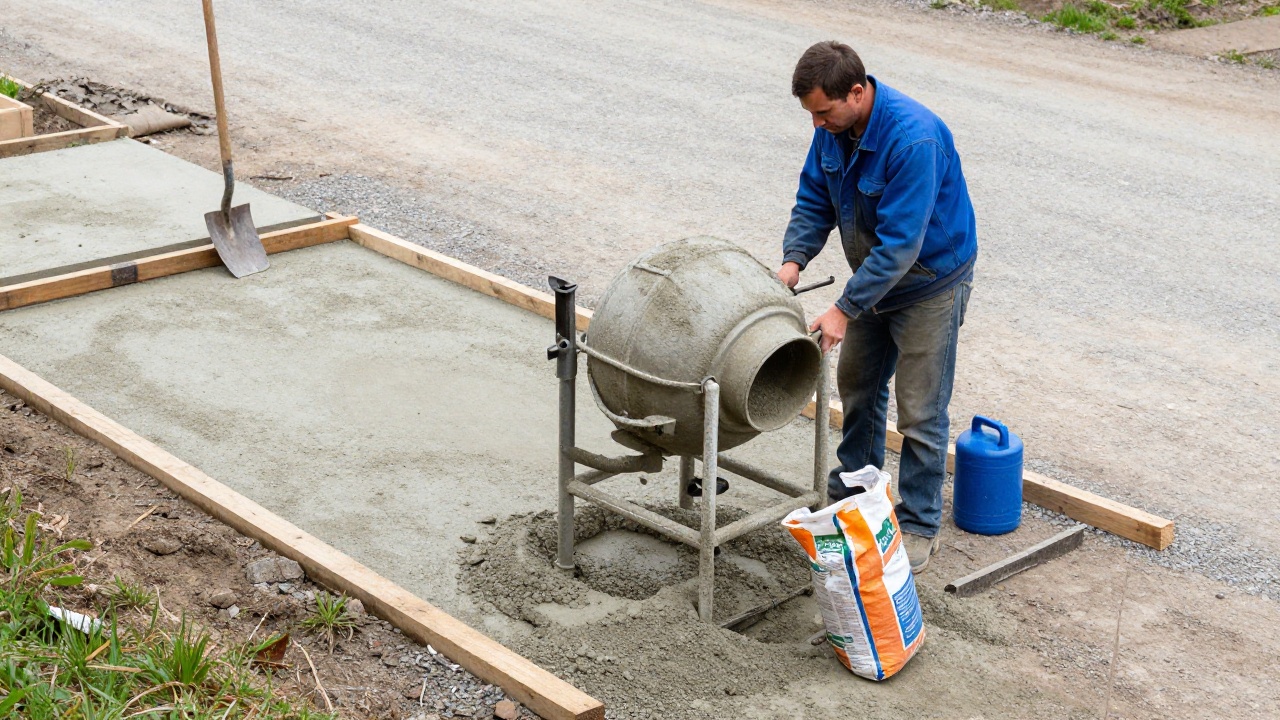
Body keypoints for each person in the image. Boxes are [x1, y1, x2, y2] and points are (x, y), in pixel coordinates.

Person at [778, 41, 978, 574]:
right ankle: (854, 496)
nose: (817, 124)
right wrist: (793, 261)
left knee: (921, 409)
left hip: (930, 282)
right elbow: (814, 199)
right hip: (876, 278)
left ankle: (918, 522)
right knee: (859, 387)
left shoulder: (913, 140)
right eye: (811, 114)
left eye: (824, 112)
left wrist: (844, 308)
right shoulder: (833, 129)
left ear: (856, 92)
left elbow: (901, 245)